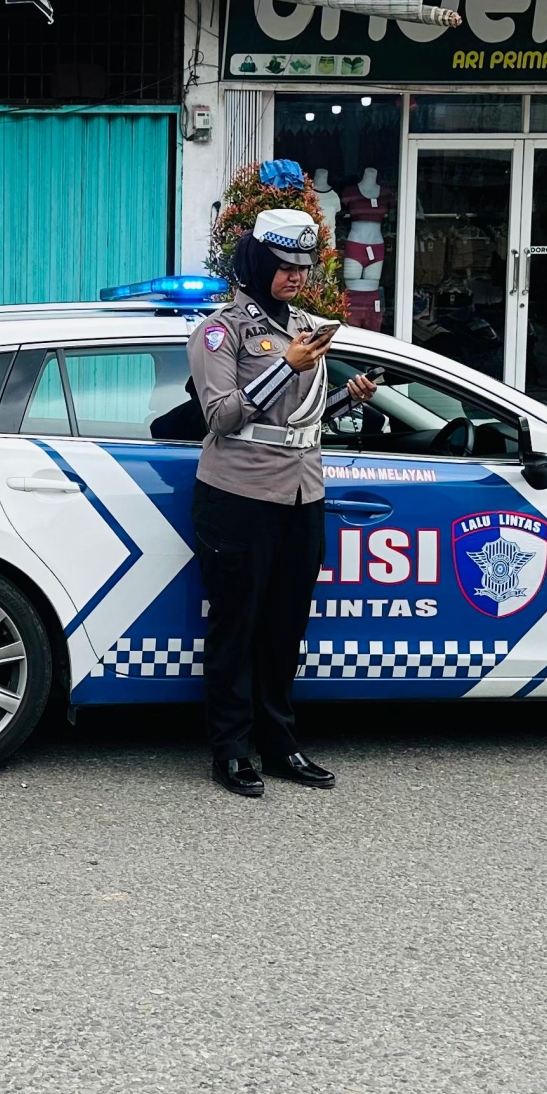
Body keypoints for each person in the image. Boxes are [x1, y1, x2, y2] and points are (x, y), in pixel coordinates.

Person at [187, 208, 377, 799]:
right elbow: (221, 416)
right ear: (257, 262)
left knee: (285, 628)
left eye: (302, 266)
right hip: (238, 495)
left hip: (302, 494)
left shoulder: (305, 325)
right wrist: (284, 365)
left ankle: (280, 742)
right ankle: (232, 749)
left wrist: (346, 396)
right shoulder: (221, 332)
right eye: (283, 266)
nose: (295, 276)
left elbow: (297, 421)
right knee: (236, 627)